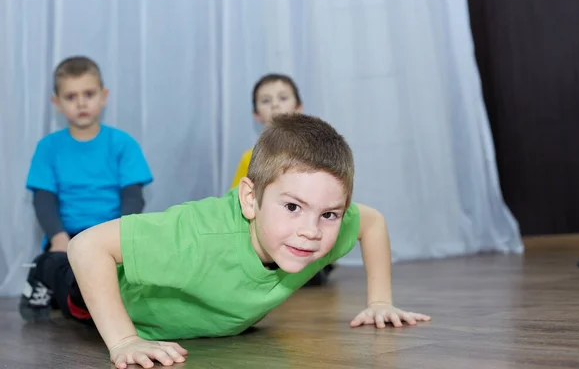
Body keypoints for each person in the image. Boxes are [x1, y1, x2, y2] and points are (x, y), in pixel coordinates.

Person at [65, 113, 431, 368]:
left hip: (203, 324)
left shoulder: (325, 224)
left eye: (329, 214)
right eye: (292, 206)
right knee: (59, 281)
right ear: (249, 199)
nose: (312, 230)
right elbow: (85, 247)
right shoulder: (199, 234)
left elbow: (372, 221)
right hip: (108, 300)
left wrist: (380, 301)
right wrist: (124, 342)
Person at [20, 56, 153, 322]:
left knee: (141, 275)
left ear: (104, 96)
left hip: (110, 233)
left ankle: (81, 294)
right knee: (60, 265)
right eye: (71, 96)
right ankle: (69, 291)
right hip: (66, 239)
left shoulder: (122, 143)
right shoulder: (48, 147)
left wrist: (120, 237)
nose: (81, 103)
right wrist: (58, 238)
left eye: (89, 94)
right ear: (56, 102)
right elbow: (43, 201)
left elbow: (133, 198)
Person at [231, 74, 335, 286]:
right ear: (256, 114)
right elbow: (235, 200)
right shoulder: (249, 158)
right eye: (266, 100)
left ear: (299, 107)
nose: (275, 104)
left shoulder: (315, 154)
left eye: (283, 98)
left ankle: (315, 265)